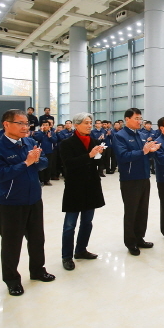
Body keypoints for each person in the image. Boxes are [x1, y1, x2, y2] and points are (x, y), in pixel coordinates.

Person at [0, 109, 55, 296]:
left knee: (37, 239)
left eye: (27, 124)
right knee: (11, 244)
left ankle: (38, 270)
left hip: (33, 199)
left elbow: (44, 163)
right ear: (6, 124)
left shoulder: (30, 142)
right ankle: (12, 280)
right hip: (11, 202)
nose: (26, 127)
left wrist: (37, 160)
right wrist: (26, 163)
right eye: (21, 123)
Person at [59, 112, 105, 271]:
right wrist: (89, 155)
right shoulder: (67, 143)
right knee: (70, 224)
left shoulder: (93, 140)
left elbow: (96, 163)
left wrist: (99, 155)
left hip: (91, 186)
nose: (89, 125)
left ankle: (81, 250)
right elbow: (69, 164)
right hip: (75, 187)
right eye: (86, 122)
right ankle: (66, 256)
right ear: (76, 125)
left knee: (87, 222)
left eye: (90, 122)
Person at [113, 108, 160, 256]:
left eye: (141, 118)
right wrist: (143, 152)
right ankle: (130, 242)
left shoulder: (140, 134)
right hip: (130, 179)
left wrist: (151, 150)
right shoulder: (120, 136)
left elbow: (144, 154)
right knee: (131, 211)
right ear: (127, 119)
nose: (140, 121)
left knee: (142, 210)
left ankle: (140, 238)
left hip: (144, 177)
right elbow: (122, 156)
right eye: (137, 118)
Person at [33, 121, 58, 186]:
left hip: (50, 152)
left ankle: (47, 180)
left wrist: (50, 137)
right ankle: (41, 180)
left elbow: (55, 140)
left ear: (49, 126)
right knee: (41, 166)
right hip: (41, 152)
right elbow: (37, 138)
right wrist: (41, 131)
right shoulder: (39, 132)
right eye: (43, 125)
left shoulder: (52, 133)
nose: (45, 126)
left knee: (49, 166)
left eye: (46, 125)